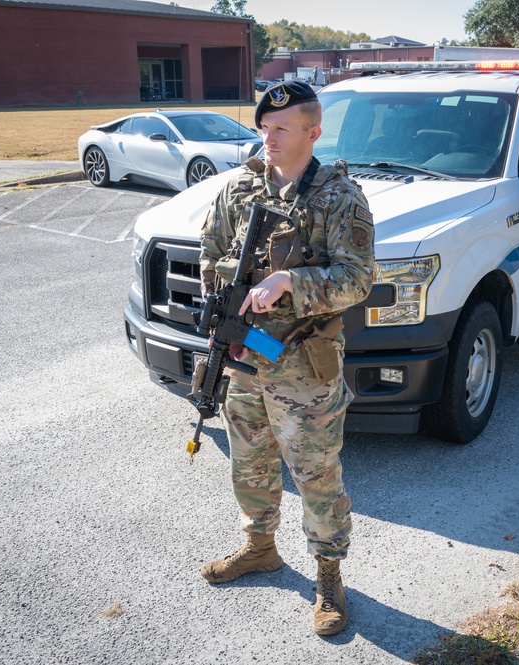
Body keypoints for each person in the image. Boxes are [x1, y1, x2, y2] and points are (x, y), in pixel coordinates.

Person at [197, 80, 375, 636]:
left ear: (312, 132)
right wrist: (221, 317)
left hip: (301, 362)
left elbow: (358, 280)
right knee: (249, 459)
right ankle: (259, 548)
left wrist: (289, 280)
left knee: (316, 473)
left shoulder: (339, 197)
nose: (267, 138)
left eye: (280, 129)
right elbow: (210, 252)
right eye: (263, 128)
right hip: (244, 353)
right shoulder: (238, 189)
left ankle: (328, 578)